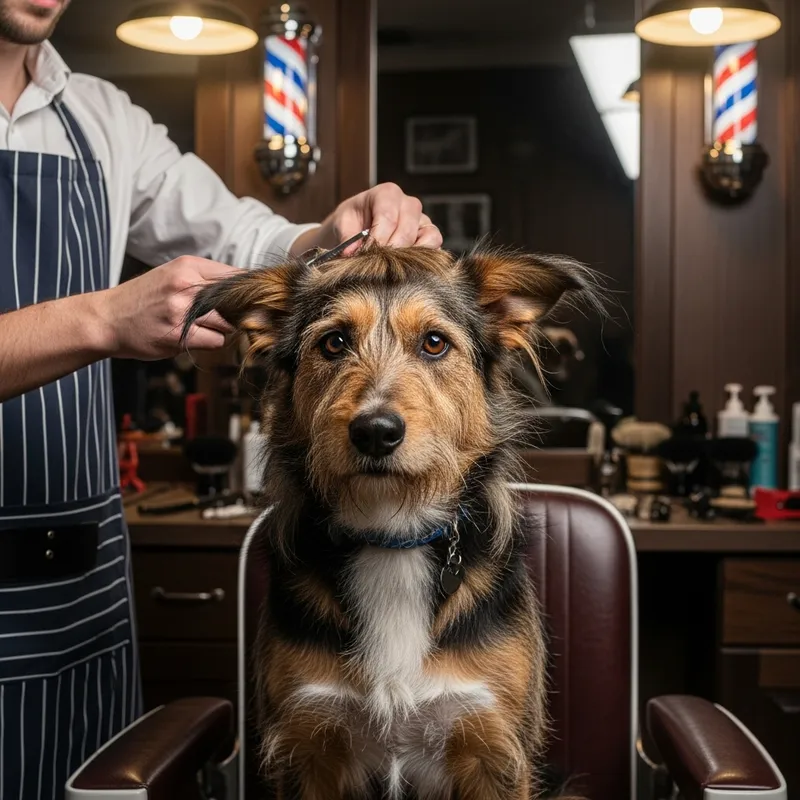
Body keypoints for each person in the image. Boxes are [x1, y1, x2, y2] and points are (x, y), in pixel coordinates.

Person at [0, 1, 442, 796]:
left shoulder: (99, 117)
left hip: (78, 582)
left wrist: (325, 239)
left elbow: (243, 239)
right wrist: (101, 318)